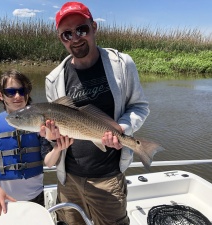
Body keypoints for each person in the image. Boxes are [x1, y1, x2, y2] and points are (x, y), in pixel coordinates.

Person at [40, 2, 150, 225]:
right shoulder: (54, 78)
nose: (75, 38)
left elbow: (140, 107)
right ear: (60, 38)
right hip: (68, 179)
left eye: (81, 29)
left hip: (107, 179)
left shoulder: (122, 64)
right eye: (66, 34)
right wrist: (52, 138)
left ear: (94, 27)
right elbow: (56, 125)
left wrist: (123, 130)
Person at [0, 69, 73, 216]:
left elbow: (48, 162)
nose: (17, 96)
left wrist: (57, 149)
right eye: (11, 91)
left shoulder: (40, 125)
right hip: (4, 200)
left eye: (22, 91)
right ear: (0, 95)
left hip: (35, 198)